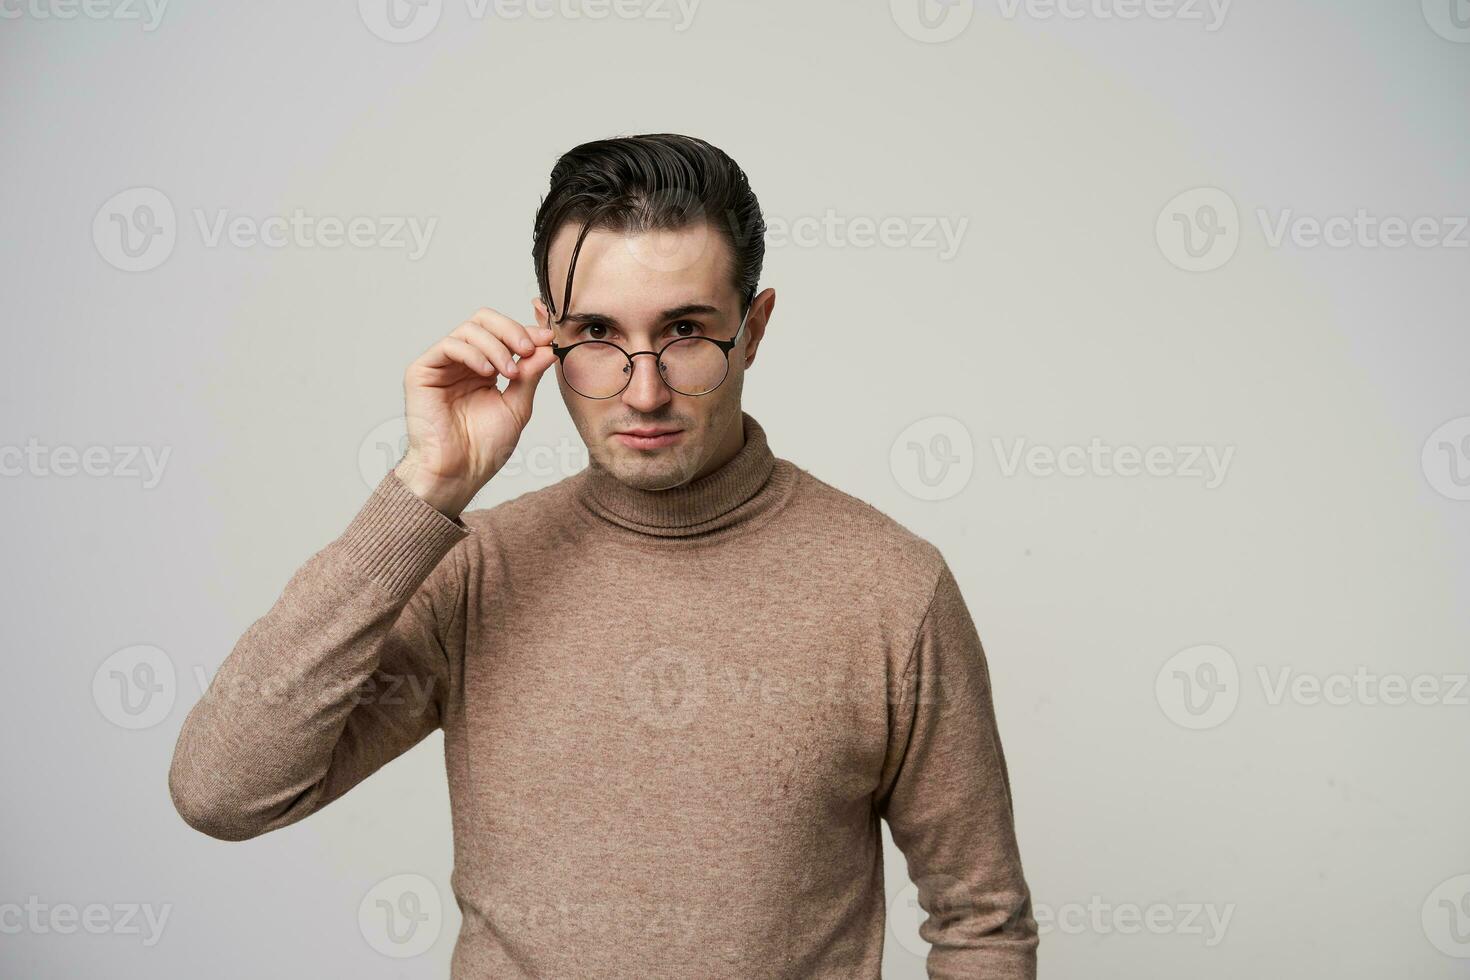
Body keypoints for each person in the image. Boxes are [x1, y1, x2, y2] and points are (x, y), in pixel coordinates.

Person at [168, 132, 1039, 978]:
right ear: (547, 335)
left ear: (756, 326)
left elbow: (981, 921)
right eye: (596, 333)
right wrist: (423, 492)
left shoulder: (891, 588)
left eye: (688, 329)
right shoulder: (478, 571)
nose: (645, 388)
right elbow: (224, 791)